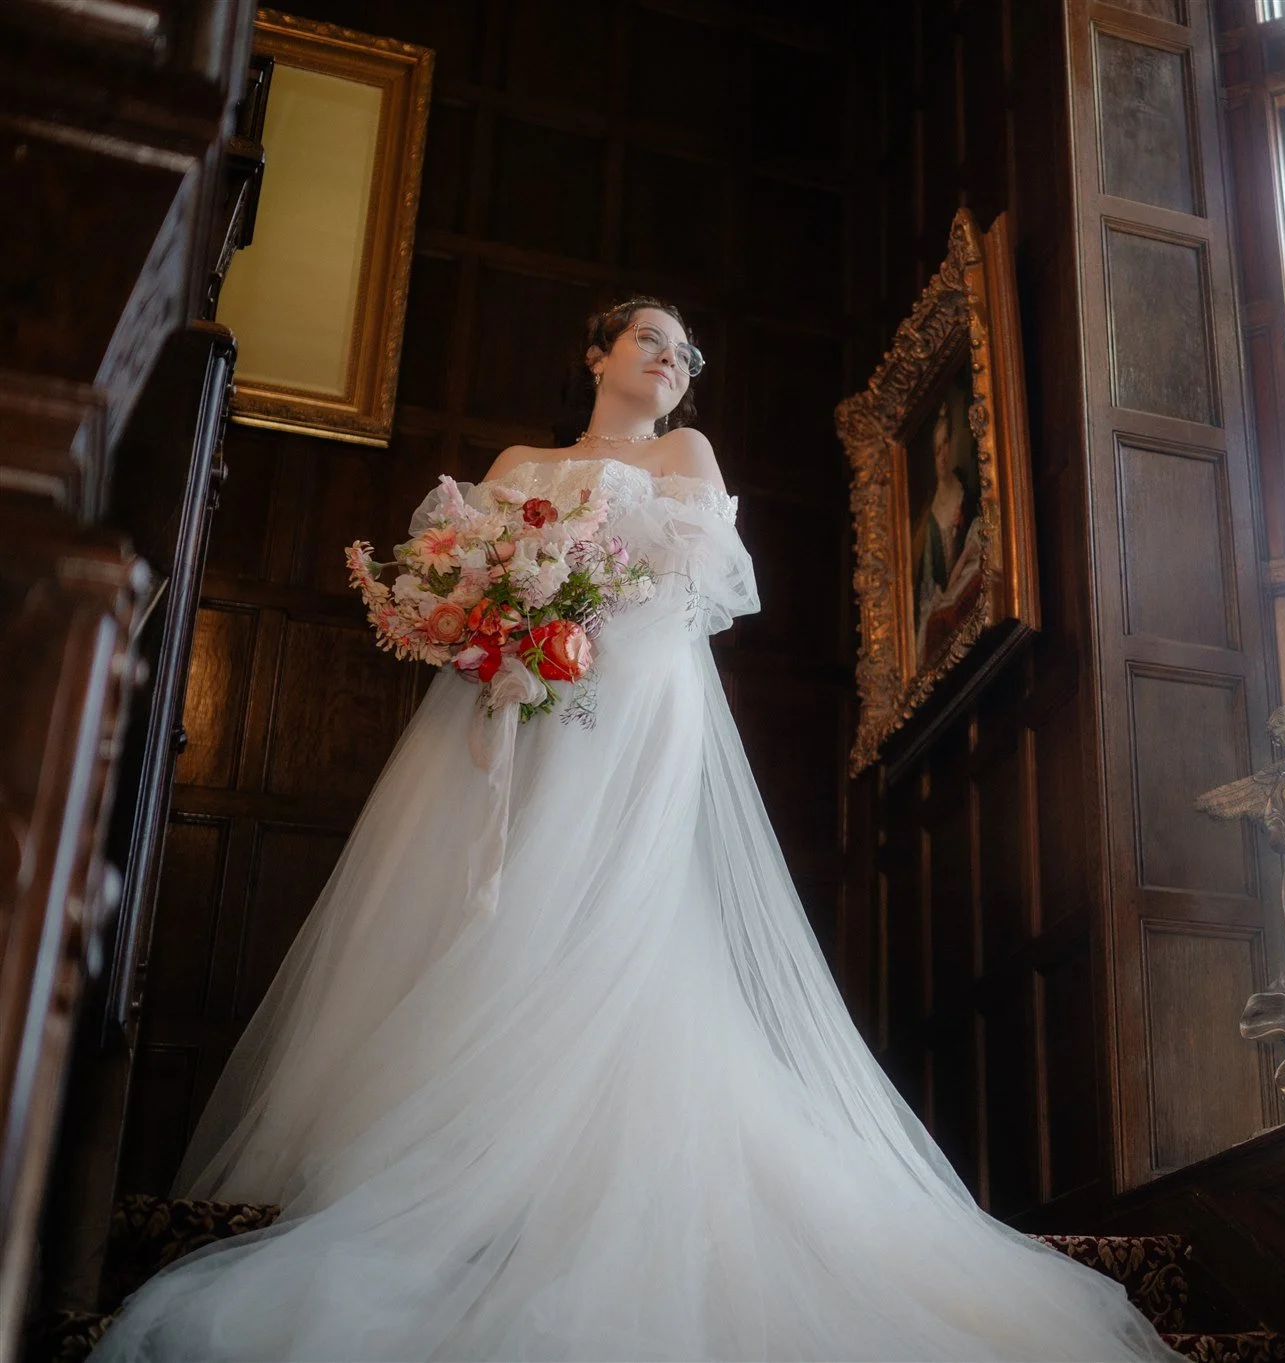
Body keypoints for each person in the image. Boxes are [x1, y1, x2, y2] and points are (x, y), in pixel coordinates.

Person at [87, 299, 1181, 1363]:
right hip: (513, 708)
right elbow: (459, 585)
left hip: (636, 700)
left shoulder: (683, 454)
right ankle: (449, 1155)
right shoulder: (517, 464)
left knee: (603, 905)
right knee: (488, 903)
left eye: (686, 352)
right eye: (651, 341)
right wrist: (501, 611)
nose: (673, 361)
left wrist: (572, 601)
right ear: (597, 353)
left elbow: (697, 582)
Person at [911, 388, 985, 672]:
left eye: (945, 445)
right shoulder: (929, 516)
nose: (942, 455)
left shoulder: (966, 489)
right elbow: (930, 581)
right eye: (937, 449)